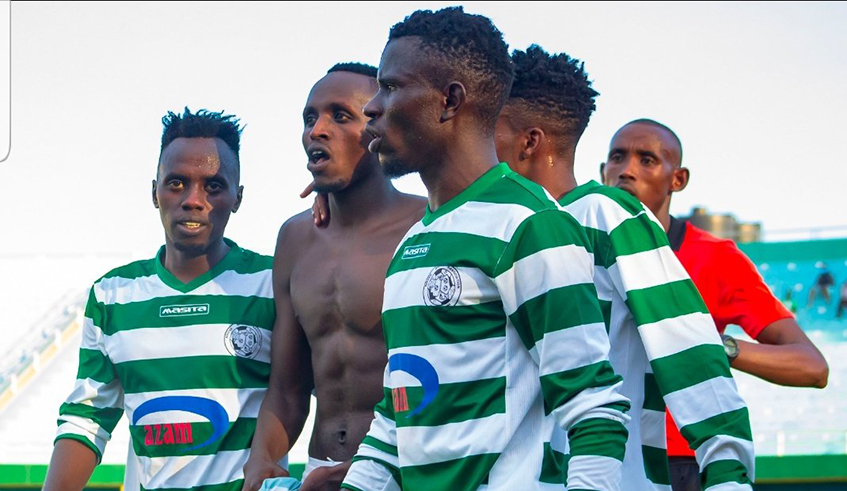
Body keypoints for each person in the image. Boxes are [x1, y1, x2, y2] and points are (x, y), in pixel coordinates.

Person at [341, 8, 630, 491]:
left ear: (450, 101)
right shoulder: (413, 243)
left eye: (389, 87)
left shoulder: (528, 224)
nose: (372, 107)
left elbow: (593, 406)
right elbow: (396, 419)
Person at [493, 45, 756, 490]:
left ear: (528, 140)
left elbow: (690, 354)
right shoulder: (496, 228)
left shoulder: (607, 215)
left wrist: (728, 478)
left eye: (489, 129)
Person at [44, 109, 275, 491]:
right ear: (155, 192)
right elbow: (87, 420)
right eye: (177, 183)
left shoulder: (271, 283)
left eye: (213, 186)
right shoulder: (112, 295)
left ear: (238, 197)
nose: (193, 200)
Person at [601, 118, 829, 490]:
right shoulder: (574, 250)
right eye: (617, 157)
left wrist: (713, 345)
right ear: (602, 171)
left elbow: (812, 367)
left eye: (647, 159)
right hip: (596, 453)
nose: (626, 170)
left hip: (683, 460)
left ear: (678, 179)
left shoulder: (716, 258)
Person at [241, 63, 426, 491]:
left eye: (340, 116)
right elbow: (287, 387)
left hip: (405, 472)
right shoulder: (295, 238)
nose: (317, 130)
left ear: (380, 126)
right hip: (319, 471)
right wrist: (261, 462)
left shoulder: (426, 224)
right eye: (310, 118)